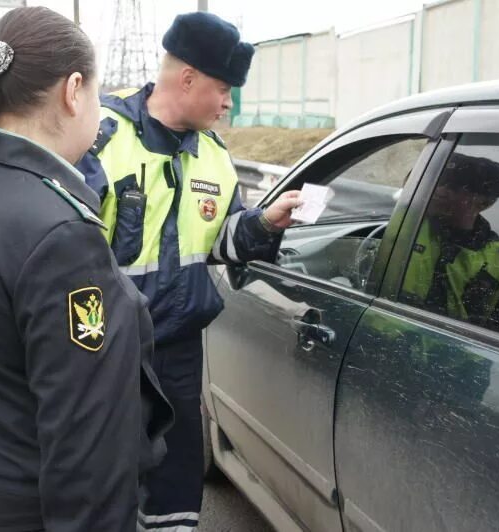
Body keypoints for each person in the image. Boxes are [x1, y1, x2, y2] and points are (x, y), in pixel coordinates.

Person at [0, 7, 172, 532]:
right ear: (73, 91)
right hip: (35, 508)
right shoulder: (60, 230)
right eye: (96, 92)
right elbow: (89, 443)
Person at [76, 11, 301, 531]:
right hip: (104, 350)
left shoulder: (216, 159)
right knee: (98, 475)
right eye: (224, 91)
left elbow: (221, 242)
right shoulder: (103, 138)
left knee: (174, 481)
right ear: (187, 78)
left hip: (176, 350)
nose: (228, 105)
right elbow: (63, 255)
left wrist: (264, 224)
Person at [400, 152, 499, 337]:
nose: (440, 190)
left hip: (448, 363)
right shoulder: (407, 224)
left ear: (485, 202)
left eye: (455, 187)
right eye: (438, 181)